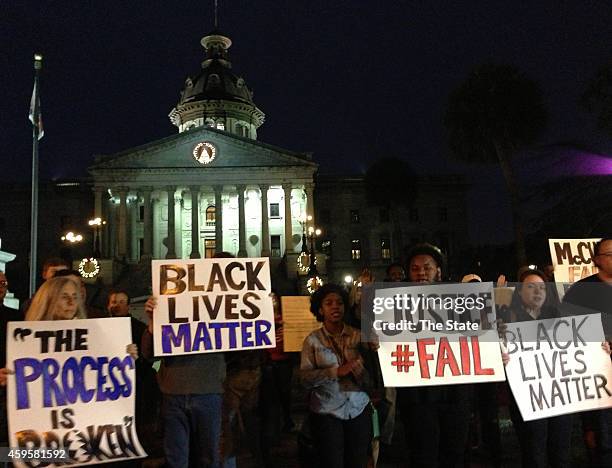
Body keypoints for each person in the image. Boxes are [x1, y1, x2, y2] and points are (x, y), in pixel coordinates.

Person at [397, 243, 472, 468]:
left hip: (455, 393)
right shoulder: (393, 304)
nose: (421, 272)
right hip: (417, 397)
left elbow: (479, 339)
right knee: (423, 453)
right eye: (415, 268)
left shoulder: (462, 299)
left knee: (455, 453)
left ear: (438, 270)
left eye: (427, 267)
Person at [501, 269, 574, 468]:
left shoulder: (560, 317)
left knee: (561, 454)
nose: (537, 292)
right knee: (534, 454)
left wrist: (599, 348)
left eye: (542, 287)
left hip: (561, 400)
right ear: (519, 292)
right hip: (528, 401)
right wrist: (500, 357)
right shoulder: (507, 323)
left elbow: (581, 347)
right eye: (530, 287)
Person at [142, 296, 226, 468]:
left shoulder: (220, 305)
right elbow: (149, 355)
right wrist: (153, 322)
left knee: (208, 458)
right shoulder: (165, 303)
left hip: (207, 392)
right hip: (174, 394)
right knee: (176, 459)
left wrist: (260, 309)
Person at [300, 283, 372, 468]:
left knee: (357, 461)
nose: (335, 307)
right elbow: (305, 379)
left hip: (358, 409)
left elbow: (375, 375)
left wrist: (371, 357)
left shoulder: (359, 336)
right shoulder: (312, 341)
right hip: (327, 413)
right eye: (329, 303)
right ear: (320, 310)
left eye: (339, 302)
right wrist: (335, 372)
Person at [562, 237, 612, 467]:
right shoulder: (581, 292)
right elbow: (566, 334)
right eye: (610, 254)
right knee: (603, 443)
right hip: (598, 383)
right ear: (596, 260)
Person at [0, 271, 21, 445]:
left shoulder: (16, 318)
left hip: (9, 397)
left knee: (8, 453)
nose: (1, 287)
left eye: (4, 284)